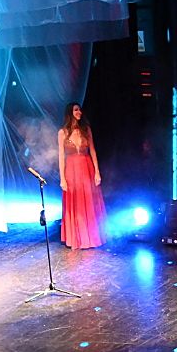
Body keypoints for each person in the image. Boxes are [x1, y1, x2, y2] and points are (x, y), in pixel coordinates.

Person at [57, 103, 106, 250]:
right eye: (76, 110)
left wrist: (97, 171)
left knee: (89, 201)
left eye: (79, 110)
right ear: (70, 113)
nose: (79, 112)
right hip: (71, 169)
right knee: (75, 203)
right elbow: (60, 156)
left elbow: (93, 151)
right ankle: (76, 238)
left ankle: (90, 237)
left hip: (86, 167)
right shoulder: (63, 132)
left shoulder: (86, 130)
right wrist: (62, 178)